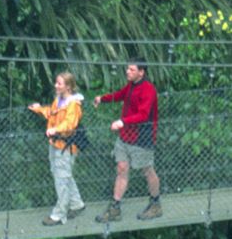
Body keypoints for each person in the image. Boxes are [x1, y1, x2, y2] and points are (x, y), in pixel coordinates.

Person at [94, 61, 161, 221]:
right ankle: (115, 208)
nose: (128, 72)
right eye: (127, 68)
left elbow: (143, 115)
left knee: (147, 170)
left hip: (141, 138)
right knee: (122, 168)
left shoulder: (148, 90)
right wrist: (102, 99)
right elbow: (119, 95)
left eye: (132, 69)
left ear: (141, 72)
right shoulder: (131, 85)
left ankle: (155, 204)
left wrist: (122, 122)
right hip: (125, 136)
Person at [27, 72, 87, 225]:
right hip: (55, 144)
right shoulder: (59, 100)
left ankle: (59, 214)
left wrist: (56, 129)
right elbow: (51, 113)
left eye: (59, 83)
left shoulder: (74, 105)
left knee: (62, 179)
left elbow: (70, 124)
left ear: (68, 86)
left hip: (66, 146)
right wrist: (39, 109)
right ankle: (76, 203)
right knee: (62, 175)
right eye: (56, 83)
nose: (56, 85)